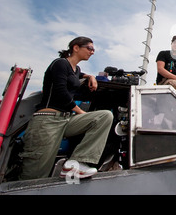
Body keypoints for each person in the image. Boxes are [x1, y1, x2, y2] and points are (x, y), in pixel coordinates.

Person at [19, 36, 113, 180]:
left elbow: (77, 75)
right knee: (35, 176)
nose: (92, 52)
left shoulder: (76, 69)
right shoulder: (60, 64)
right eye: (90, 48)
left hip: (66, 120)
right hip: (47, 121)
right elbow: (60, 92)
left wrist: (90, 76)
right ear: (76, 48)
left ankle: (75, 164)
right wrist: (80, 111)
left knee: (104, 116)